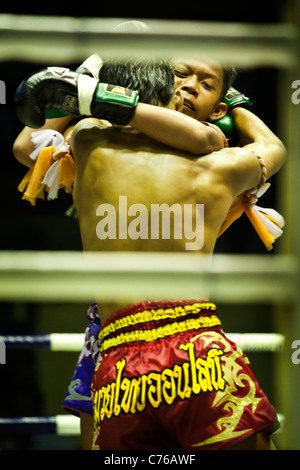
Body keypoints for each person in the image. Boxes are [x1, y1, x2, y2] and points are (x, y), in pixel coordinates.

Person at [13, 57, 286, 450]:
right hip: (194, 352)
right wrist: (240, 108)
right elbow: (270, 148)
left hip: (119, 364)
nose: (189, 87)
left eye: (205, 84)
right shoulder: (223, 164)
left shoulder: (90, 141)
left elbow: (47, 130)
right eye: (180, 76)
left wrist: (89, 83)